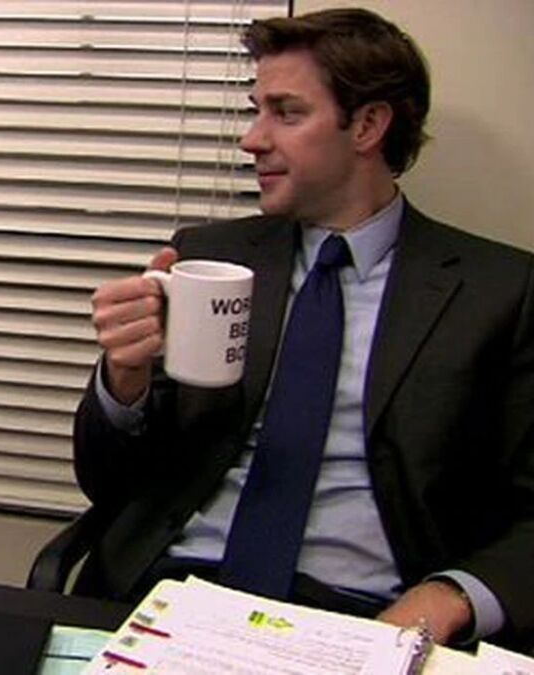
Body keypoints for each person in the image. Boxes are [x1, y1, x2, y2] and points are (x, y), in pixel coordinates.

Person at [74, 8, 533, 649]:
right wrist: (125, 384)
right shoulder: (208, 258)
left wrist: (450, 595)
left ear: (368, 125)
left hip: (364, 613)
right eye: (255, 111)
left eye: (286, 113)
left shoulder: (499, 290)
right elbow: (109, 484)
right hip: (176, 591)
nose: (252, 140)